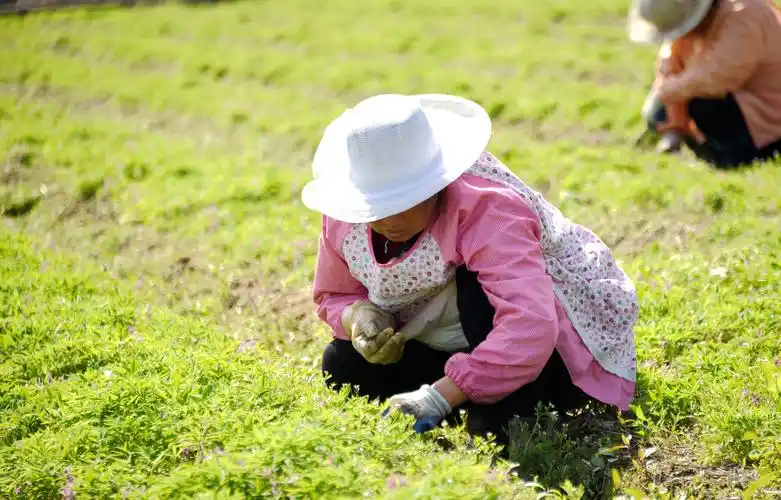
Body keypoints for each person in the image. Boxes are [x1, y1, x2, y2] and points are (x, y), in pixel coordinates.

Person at [301, 93, 638, 447]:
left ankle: (503, 405)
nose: (387, 219)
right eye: (375, 204)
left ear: (436, 182)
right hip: (444, 339)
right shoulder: (346, 216)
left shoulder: (488, 210)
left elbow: (531, 326)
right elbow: (334, 294)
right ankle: (466, 392)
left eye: (403, 201)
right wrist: (358, 316)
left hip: (538, 350)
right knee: (341, 364)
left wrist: (439, 396)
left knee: (475, 291)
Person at [629, 0, 781, 168]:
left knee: (701, 103)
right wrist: (674, 123)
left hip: (770, 117)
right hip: (740, 105)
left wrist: (665, 92)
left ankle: (742, 158)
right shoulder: (692, 31)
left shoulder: (745, 14)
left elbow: (718, 78)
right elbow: (670, 67)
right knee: (661, 111)